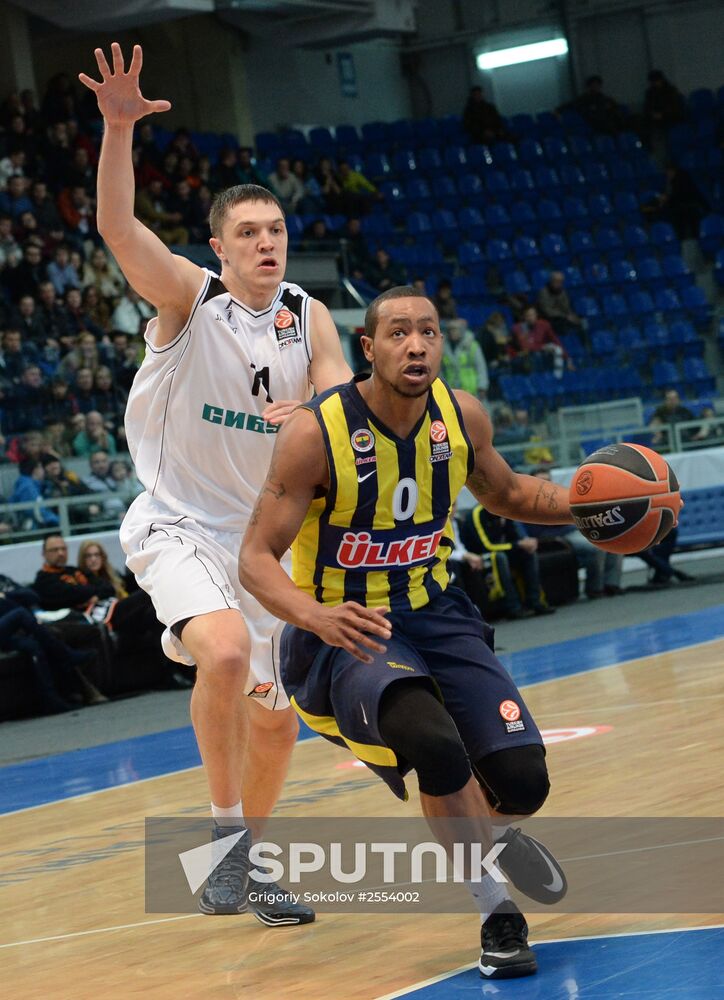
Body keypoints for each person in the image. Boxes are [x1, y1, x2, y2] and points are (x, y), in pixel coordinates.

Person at [79, 42, 351, 924]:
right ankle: (222, 846)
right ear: (219, 246)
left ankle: (251, 865)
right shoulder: (187, 299)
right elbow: (119, 231)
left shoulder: (310, 315)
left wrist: (315, 411)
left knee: (279, 721)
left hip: (265, 544)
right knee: (228, 653)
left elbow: (345, 389)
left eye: (274, 231)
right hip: (179, 522)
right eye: (248, 233)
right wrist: (118, 130)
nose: (265, 243)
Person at [240, 286, 574, 980]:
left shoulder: (462, 418)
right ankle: (497, 913)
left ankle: (494, 830)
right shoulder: (313, 433)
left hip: (438, 611)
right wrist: (313, 615)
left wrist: (601, 507)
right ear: (369, 349)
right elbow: (253, 559)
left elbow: (510, 494)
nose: (416, 345)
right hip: (350, 625)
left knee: (523, 780)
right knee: (434, 746)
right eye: (398, 333)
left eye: (427, 332)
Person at [524, 468, 623, 598]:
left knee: (612, 540)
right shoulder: (530, 502)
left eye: (548, 480)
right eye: (542, 480)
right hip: (554, 537)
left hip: (573, 530)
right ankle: (594, 588)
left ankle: (611, 584)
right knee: (597, 547)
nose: (546, 483)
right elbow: (536, 530)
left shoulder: (556, 495)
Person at [460, 504, 556, 619]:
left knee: (528, 553)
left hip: (502, 550)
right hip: (479, 555)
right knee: (500, 558)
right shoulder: (476, 514)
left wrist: (525, 543)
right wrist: (517, 544)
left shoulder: (506, 508)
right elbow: (487, 546)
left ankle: (535, 602)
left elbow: (514, 536)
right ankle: (513, 607)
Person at [512, 305, 573, 377]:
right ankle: (538, 379)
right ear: (524, 317)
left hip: (542, 353)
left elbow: (556, 341)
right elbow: (525, 346)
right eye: (528, 315)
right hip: (525, 357)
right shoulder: (518, 328)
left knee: (557, 350)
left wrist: (567, 358)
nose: (531, 317)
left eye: (533, 314)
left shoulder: (544, 325)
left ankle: (558, 378)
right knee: (536, 355)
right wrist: (542, 347)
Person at [440, 318, 489, 399]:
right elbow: (440, 369)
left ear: (462, 330)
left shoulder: (472, 346)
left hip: (472, 390)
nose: (452, 332)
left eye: (455, 329)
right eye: (450, 330)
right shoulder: (443, 347)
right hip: (451, 390)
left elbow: (481, 367)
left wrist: (482, 386)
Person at [536, 272, 583, 339]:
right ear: (551, 281)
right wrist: (565, 316)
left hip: (563, 317)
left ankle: (583, 345)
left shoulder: (562, 292)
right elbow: (547, 311)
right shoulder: (543, 293)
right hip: (549, 319)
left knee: (580, 322)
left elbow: (566, 307)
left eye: (561, 282)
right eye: (557, 281)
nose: (559, 283)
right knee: (561, 324)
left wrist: (571, 315)